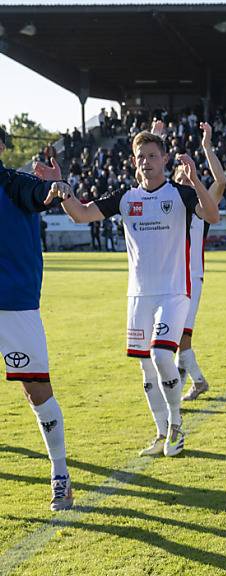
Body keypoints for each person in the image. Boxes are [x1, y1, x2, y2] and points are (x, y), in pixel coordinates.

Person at [57, 132, 221, 458]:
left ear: (163, 159)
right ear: (134, 162)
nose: (146, 162)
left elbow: (213, 215)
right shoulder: (125, 197)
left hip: (174, 293)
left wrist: (195, 180)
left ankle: (176, 425)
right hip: (138, 297)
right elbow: (81, 213)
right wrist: (62, 188)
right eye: (141, 156)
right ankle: (161, 433)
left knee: (162, 356)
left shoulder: (181, 194)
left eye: (152, 155)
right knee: (145, 368)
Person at [0, 128, 75, 511]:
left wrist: (55, 189)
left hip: (14, 305)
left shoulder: (16, 184)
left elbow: (42, 195)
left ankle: (59, 472)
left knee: (35, 389)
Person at [164, 121, 226, 402]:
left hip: (191, 277)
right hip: (169, 278)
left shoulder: (201, 205)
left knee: (180, 338)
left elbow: (221, 181)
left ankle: (198, 382)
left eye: (191, 176)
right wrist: (159, 137)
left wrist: (207, 147)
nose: (187, 179)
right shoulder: (166, 203)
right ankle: (184, 386)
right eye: (182, 176)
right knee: (178, 337)